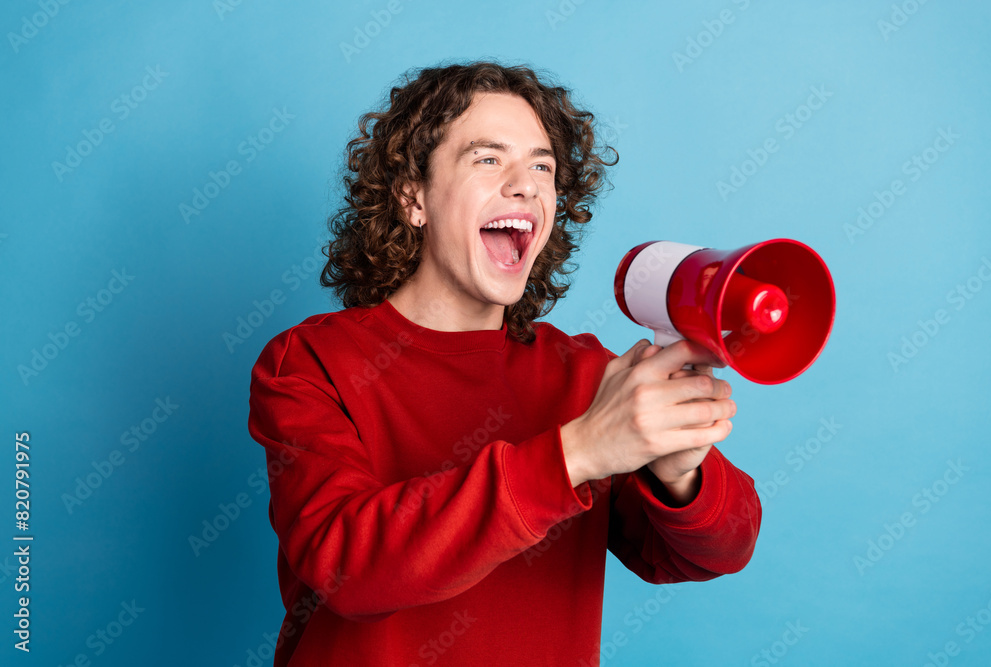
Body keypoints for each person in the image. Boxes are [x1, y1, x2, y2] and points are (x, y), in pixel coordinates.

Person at [248, 60, 762, 666]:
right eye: (488, 159)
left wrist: (681, 471)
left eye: (542, 165)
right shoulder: (309, 361)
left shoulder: (589, 376)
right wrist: (579, 453)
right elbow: (348, 567)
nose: (527, 184)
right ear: (414, 197)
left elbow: (710, 553)